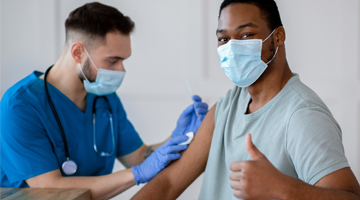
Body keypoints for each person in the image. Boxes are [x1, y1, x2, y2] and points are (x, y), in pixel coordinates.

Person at [131, 0, 360, 199]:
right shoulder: (227, 107)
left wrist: (284, 188)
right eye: (223, 39)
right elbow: (169, 183)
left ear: (277, 36)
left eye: (246, 35)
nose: (232, 48)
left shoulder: (302, 115)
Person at [0, 2, 209, 200]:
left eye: (123, 60)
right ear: (78, 52)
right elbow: (49, 189)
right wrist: (136, 174)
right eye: (113, 60)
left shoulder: (105, 99)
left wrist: (180, 137)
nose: (121, 70)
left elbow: (139, 158)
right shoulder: (20, 106)